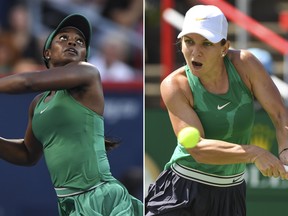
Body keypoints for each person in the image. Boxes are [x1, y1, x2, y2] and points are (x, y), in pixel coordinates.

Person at [145, 5, 288, 216]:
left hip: (231, 195)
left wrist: (285, 150)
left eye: (206, 43)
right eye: (189, 42)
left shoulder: (246, 64)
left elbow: (280, 115)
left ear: (224, 47)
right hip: (181, 192)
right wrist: (254, 153)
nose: (195, 51)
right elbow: (198, 149)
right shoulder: (174, 85)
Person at [0, 13, 143, 215]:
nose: (72, 43)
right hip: (68, 204)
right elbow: (28, 154)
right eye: (63, 38)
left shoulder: (88, 73)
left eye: (80, 41)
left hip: (100, 196)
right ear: (48, 53)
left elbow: (27, 82)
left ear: (84, 55)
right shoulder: (38, 104)